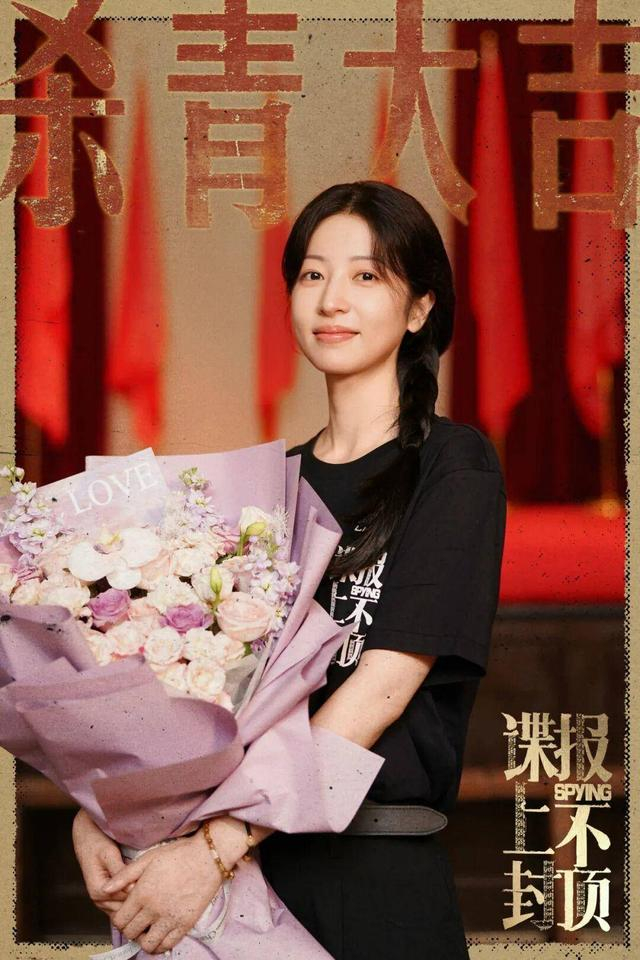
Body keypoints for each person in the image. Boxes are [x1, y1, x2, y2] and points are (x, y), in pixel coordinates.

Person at [72, 180, 506, 959]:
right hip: (239, 885)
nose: (332, 298)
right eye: (312, 274)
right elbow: (190, 698)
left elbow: (381, 690)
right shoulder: (265, 487)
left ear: (419, 309)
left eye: (366, 275)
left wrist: (216, 847)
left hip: (371, 873)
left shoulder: (453, 466)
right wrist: (103, 809)